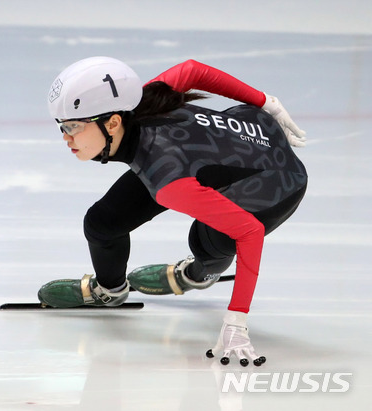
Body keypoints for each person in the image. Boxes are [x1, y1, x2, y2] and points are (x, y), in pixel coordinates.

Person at [38, 57, 308, 366]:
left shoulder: (169, 182)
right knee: (101, 223)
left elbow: (250, 231)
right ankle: (108, 290)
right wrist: (265, 101)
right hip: (218, 146)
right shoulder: (143, 102)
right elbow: (192, 69)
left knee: (209, 239)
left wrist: (237, 320)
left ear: (112, 123)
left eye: (73, 127)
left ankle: (198, 274)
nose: (65, 137)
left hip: (274, 185)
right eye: (62, 126)